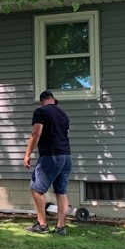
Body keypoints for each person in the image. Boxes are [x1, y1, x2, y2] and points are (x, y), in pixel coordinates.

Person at [23, 90, 72, 235]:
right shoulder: (63, 114)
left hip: (51, 156)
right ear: (53, 100)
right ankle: (60, 227)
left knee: (37, 189)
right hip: (66, 156)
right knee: (61, 192)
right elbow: (66, 135)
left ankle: (42, 225)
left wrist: (27, 154)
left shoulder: (41, 111)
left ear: (41, 101)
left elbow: (36, 133)